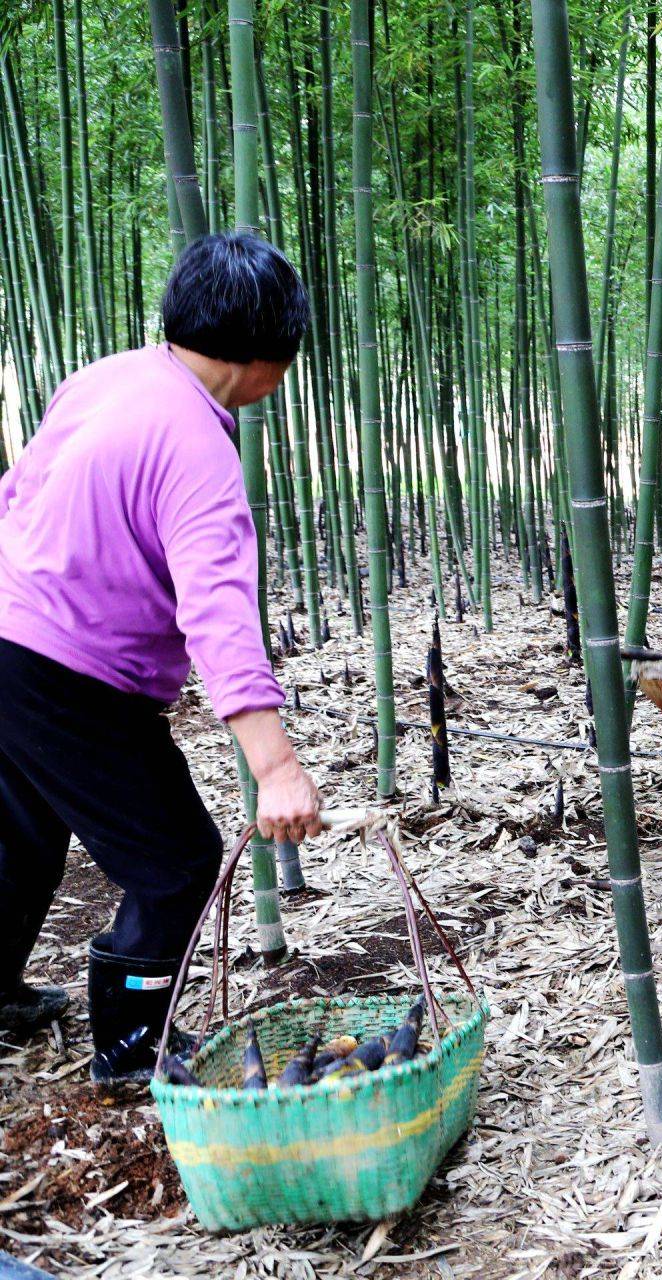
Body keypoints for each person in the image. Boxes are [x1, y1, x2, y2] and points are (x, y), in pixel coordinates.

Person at [0, 232, 325, 1086]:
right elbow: (218, 615)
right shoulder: (198, 449)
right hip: (65, 673)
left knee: (19, 834)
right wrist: (276, 767)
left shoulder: (106, 376)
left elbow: (19, 488)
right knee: (176, 864)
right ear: (268, 357)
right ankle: (130, 1047)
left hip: (8, 631)